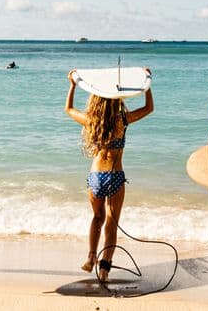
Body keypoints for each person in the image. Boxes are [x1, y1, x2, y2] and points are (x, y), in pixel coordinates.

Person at [65, 69, 154, 282]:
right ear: (116, 100)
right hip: (115, 176)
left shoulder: (91, 121)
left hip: (96, 176)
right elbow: (149, 108)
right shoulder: (122, 120)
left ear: (96, 100)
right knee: (112, 222)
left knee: (97, 218)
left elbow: (68, 109)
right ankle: (104, 268)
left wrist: (73, 85)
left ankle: (90, 257)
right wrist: (147, 84)